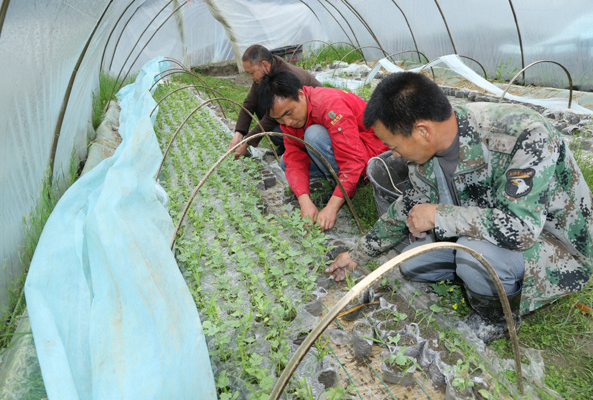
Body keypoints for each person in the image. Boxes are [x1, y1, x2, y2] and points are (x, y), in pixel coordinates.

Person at [326, 71, 593, 343]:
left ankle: (498, 318)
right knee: (412, 261)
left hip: (554, 244)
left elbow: (520, 228)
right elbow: (406, 206)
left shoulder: (526, 136)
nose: (393, 153)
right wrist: (357, 254)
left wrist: (438, 215)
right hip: (486, 232)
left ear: (422, 131)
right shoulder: (426, 155)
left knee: (471, 256)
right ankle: (481, 277)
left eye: (393, 146)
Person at [257, 70, 389, 231]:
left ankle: (352, 183)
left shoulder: (329, 104)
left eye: (289, 113)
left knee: (314, 136)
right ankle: (339, 180)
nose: (287, 122)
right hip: (345, 150)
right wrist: (304, 201)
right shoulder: (290, 121)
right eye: (279, 119)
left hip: (373, 153)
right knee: (286, 161)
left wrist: (332, 207)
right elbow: (295, 160)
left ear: (300, 94)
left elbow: (353, 160)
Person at [228, 44, 322, 158]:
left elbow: (272, 117)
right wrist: (239, 134)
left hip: (314, 119)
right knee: (259, 102)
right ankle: (286, 147)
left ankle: (304, 149)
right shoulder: (265, 75)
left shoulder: (285, 75)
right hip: (293, 114)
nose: (251, 77)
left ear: (264, 65)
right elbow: (249, 104)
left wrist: (247, 142)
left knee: (277, 132)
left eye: (252, 73)